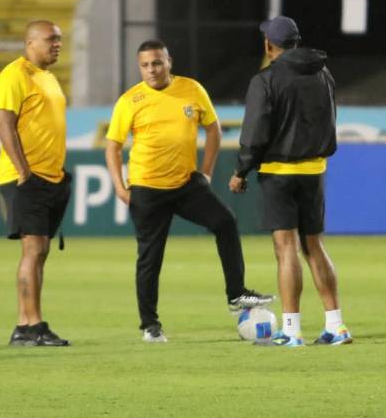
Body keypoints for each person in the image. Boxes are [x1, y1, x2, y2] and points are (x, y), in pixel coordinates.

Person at [105, 40, 274, 343]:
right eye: (145, 65)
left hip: (186, 184)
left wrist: (206, 173)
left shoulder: (191, 89)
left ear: (168, 62)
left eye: (157, 63)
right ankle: (150, 325)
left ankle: (236, 294)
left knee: (225, 222)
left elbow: (213, 129)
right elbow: (113, 146)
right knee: (150, 258)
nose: (151, 70)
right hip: (147, 188)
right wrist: (120, 187)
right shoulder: (130, 100)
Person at [229, 16, 351, 347]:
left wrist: (241, 171)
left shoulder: (265, 80)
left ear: (269, 45)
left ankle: (292, 330)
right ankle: (336, 326)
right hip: (315, 171)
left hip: (279, 172)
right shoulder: (323, 73)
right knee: (314, 246)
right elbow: (331, 118)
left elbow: (255, 132)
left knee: (286, 249)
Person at [0, 20, 72, 347]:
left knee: (40, 250)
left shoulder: (48, 77)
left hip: (50, 175)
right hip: (26, 177)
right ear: (30, 42)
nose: (57, 44)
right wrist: (23, 172)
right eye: (51, 39)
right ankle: (32, 325)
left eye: (59, 39)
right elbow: (4, 123)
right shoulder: (14, 75)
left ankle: (25, 326)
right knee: (34, 248)